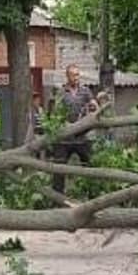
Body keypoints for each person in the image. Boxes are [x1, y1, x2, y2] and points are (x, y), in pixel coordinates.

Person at [52, 64, 95, 192]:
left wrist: (93, 107)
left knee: (90, 165)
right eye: (73, 75)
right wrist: (64, 123)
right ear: (67, 76)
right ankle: (57, 199)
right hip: (65, 138)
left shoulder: (85, 91)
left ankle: (92, 194)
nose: (76, 77)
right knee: (59, 169)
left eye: (78, 74)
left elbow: (94, 105)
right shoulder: (61, 92)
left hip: (82, 136)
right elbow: (56, 113)